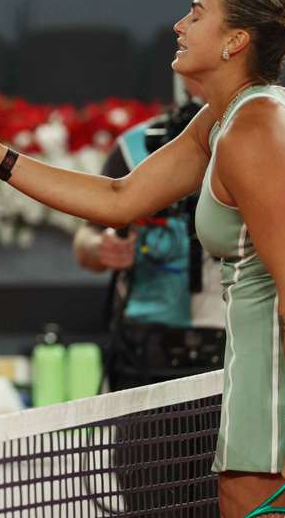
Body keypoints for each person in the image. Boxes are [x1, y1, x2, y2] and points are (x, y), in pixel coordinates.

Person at [0, 0, 285, 516]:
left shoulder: (253, 133)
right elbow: (120, 198)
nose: (179, 25)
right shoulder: (240, 115)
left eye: (197, 14)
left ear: (234, 42)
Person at [73, 76, 226, 392]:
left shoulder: (256, 143)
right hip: (144, 346)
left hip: (234, 339)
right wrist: (101, 247)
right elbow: (85, 239)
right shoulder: (134, 147)